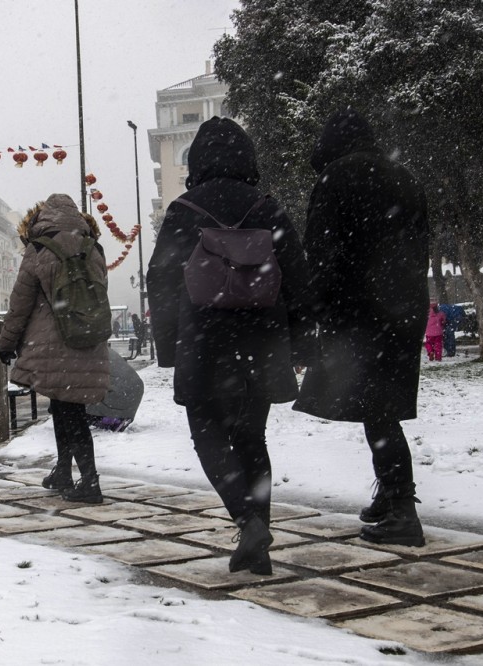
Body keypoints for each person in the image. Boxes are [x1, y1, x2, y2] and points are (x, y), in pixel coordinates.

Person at [147, 117, 315, 575]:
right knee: (252, 437)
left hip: (203, 340)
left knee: (207, 435)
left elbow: (160, 281)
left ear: (197, 160)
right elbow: (298, 277)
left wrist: (169, 347)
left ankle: (246, 521)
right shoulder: (267, 207)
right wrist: (301, 341)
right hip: (261, 340)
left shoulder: (184, 210)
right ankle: (257, 534)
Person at [292, 107, 429, 547]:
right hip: (404, 306)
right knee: (381, 407)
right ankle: (391, 497)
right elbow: (419, 243)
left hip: (360, 312)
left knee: (379, 411)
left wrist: (314, 309)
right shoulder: (404, 177)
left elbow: (322, 251)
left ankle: (402, 513)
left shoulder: (336, 178)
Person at [0, 193, 111, 503]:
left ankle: (90, 482)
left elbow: (19, 306)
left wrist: (6, 344)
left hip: (54, 344)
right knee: (63, 407)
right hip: (88, 339)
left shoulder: (38, 250)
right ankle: (63, 470)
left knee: (69, 411)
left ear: (40, 219)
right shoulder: (93, 248)